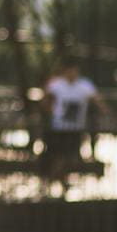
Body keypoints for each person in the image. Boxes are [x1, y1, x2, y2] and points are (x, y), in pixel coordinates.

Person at [41, 58, 104, 195]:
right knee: (59, 156)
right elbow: (45, 100)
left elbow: (97, 100)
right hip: (59, 128)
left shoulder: (84, 85)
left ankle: (58, 181)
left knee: (70, 156)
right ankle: (54, 182)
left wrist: (106, 112)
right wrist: (51, 111)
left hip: (75, 129)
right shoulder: (57, 84)